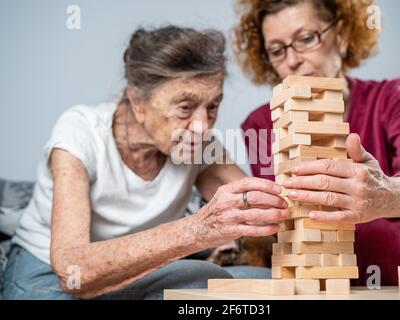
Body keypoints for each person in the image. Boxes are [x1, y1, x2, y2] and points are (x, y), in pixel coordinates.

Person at [2, 26, 290, 300]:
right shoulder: (80, 132)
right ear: (137, 100)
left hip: (138, 274)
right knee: (198, 278)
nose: (202, 126)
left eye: (212, 106)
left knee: (262, 282)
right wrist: (198, 229)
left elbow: (264, 208)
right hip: (47, 274)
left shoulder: (200, 144)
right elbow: (72, 270)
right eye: (185, 107)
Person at [234, 0, 400, 285]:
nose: (292, 60)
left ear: (342, 35)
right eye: (277, 50)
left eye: (306, 38)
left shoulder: (389, 96)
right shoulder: (260, 122)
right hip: (316, 271)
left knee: (377, 233)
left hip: (392, 258)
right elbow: (287, 222)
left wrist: (388, 194)